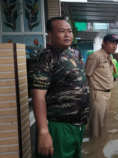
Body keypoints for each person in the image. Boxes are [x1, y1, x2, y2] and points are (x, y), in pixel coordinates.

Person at [29, 17, 89, 158]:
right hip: (58, 126)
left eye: (69, 31)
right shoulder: (47, 57)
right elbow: (38, 96)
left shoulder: (71, 54)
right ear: (49, 34)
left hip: (76, 125)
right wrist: (44, 131)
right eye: (62, 31)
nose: (67, 35)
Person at [85, 34, 118, 137]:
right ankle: (95, 149)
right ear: (104, 43)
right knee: (96, 127)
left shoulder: (109, 57)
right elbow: (86, 76)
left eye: (116, 44)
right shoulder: (95, 56)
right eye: (111, 43)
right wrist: (85, 96)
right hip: (97, 94)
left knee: (102, 124)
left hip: (107, 94)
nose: (114, 46)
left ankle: (99, 145)